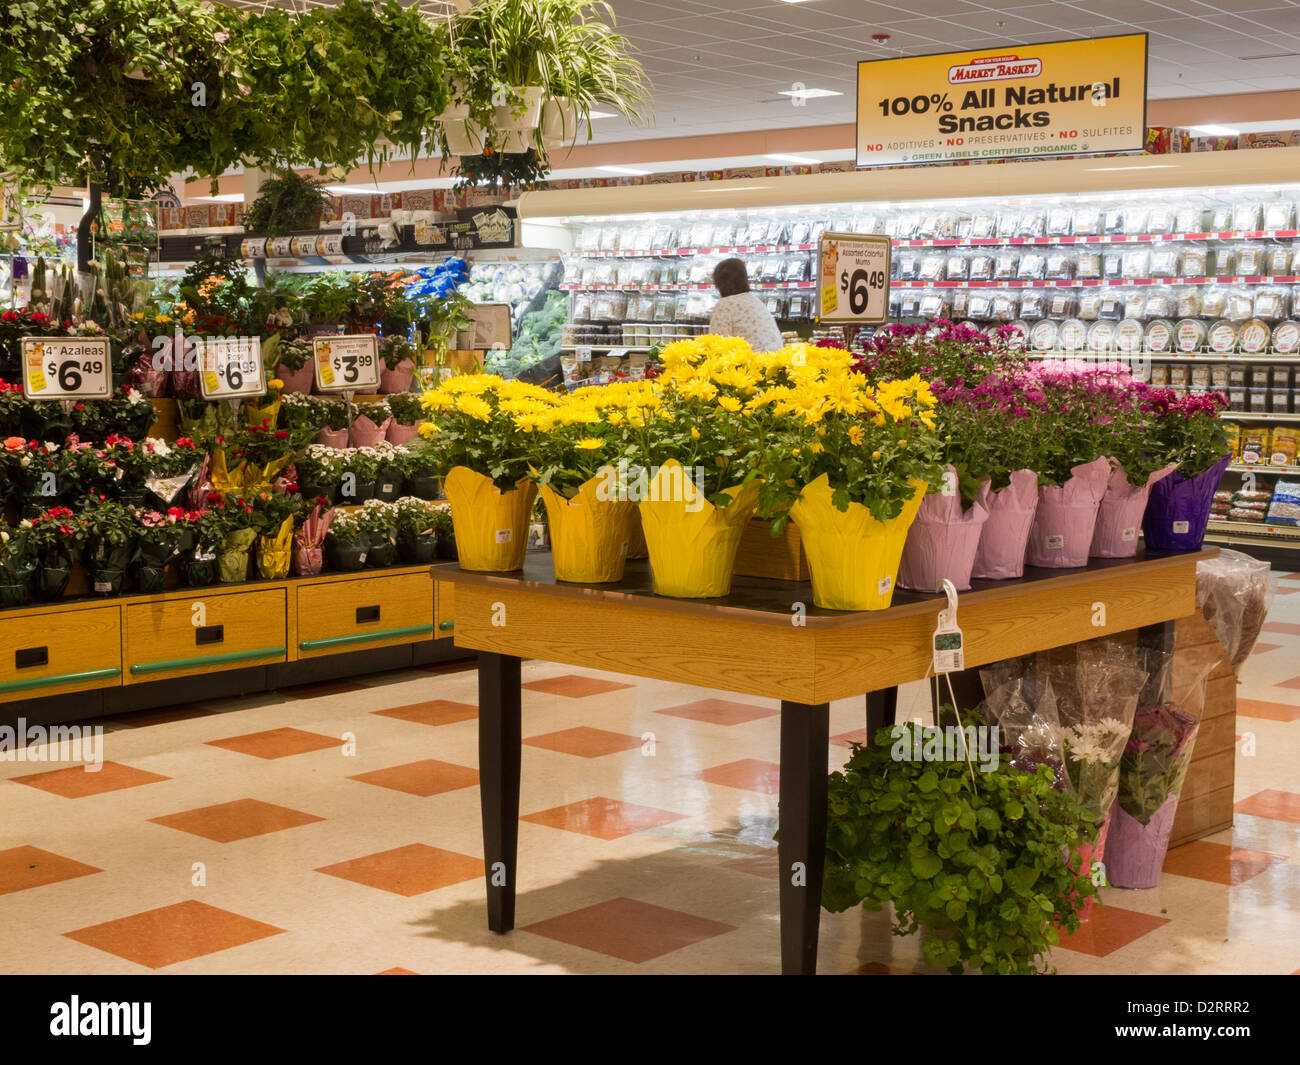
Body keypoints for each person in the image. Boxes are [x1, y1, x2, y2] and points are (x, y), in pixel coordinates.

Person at [707, 257, 784, 352]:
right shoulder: (755, 300)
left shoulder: (725, 305)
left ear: (718, 284)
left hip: (751, 363)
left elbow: (717, 346)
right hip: (775, 361)